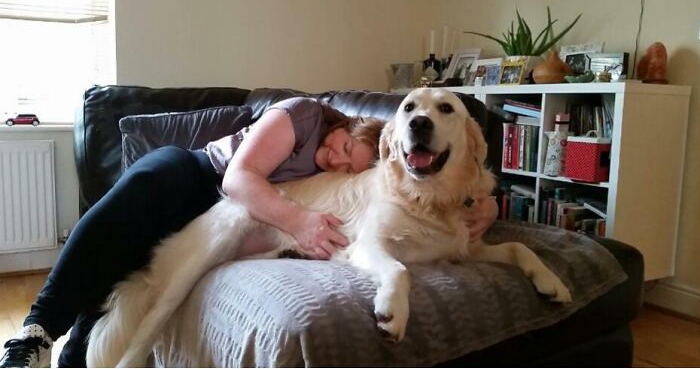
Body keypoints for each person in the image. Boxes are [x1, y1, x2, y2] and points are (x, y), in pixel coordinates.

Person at [1, 96, 498, 368]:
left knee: (127, 265)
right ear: (339, 126)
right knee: (129, 208)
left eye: (351, 168)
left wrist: (484, 206)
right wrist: (300, 222)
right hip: (200, 178)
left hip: (232, 218)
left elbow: (424, 192)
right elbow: (238, 179)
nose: (339, 162)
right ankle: (36, 332)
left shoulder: (359, 176)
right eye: (345, 146)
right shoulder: (302, 114)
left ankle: (72, 357)